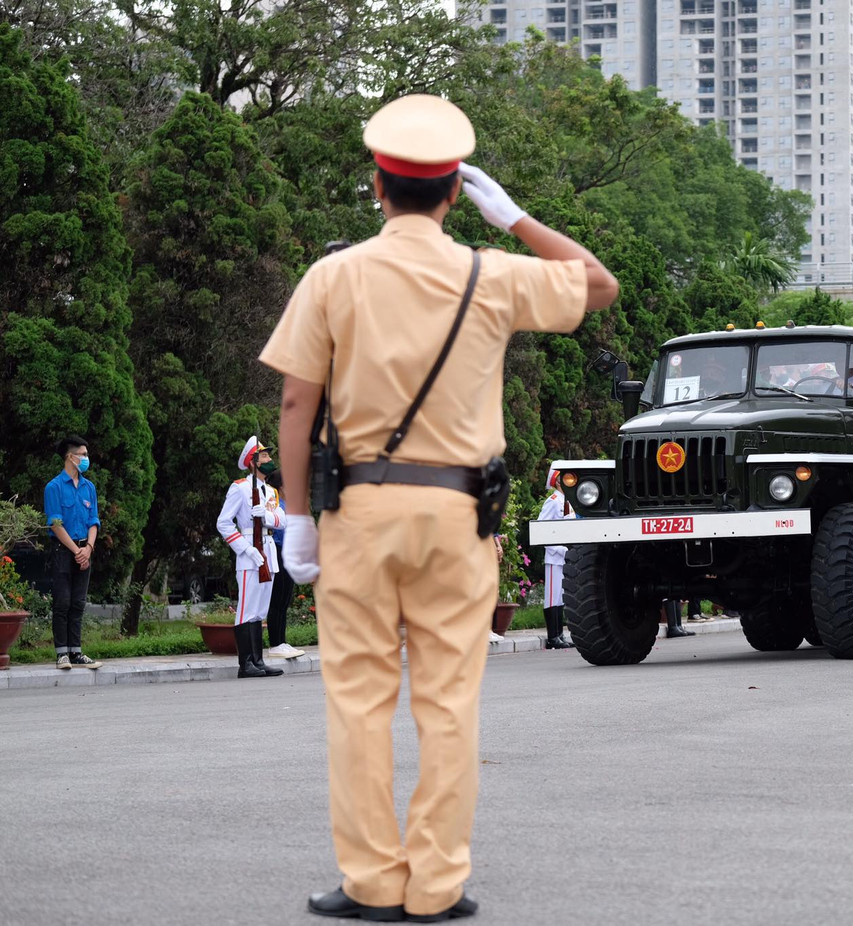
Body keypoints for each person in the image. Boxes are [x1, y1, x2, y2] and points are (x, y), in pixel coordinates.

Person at [260, 94, 619, 922]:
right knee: (449, 703)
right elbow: (600, 286)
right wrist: (515, 218)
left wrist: (297, 516)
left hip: (358, 514)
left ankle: (371, 881)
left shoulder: (333, 276)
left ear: (377, 187)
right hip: (460, 519)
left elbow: (296, 404)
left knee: (358, 701)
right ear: (457, 192)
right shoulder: (493, 276)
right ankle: (436, 885)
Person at [216, 437, 287, 679]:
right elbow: (223, 523)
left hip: (268, 552)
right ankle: (245, 664)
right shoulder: (240, 488)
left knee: (259, 611)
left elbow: (282, 520)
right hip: (249, 553)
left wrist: (266, 516)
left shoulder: (271, 491)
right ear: (252, 462)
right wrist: (246, 549)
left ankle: (258, 661)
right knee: (246, 609)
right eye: (264, 456)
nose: (269, 459)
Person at [43, 435, 102, 670]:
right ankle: (62, 654)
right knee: (63, 602)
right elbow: (55, 524)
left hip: (84, 550)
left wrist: (88, 548)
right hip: (64, 550)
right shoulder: (54, 487)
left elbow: (94, 521)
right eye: (83, 454)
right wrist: (76, 550)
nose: (86, 458)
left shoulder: (89, 488)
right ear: (70, 456)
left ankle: (76, 652)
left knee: (78, 602)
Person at [263, 468, 306, 659]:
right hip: (279, 552)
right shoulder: (276, 505)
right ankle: (275, 643)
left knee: (284, 601)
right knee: (277, 599)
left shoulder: (288, 504)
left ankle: (282, 641)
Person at [535, 468, 576, 649]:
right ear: (557, 482)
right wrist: (558, 550)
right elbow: (542, 529)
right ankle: (553, 637)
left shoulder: (567, 501)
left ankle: (559, 635)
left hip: (565, 555)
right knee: (552, 597)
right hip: (554, 556)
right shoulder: (552, 501)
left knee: (560, 597)